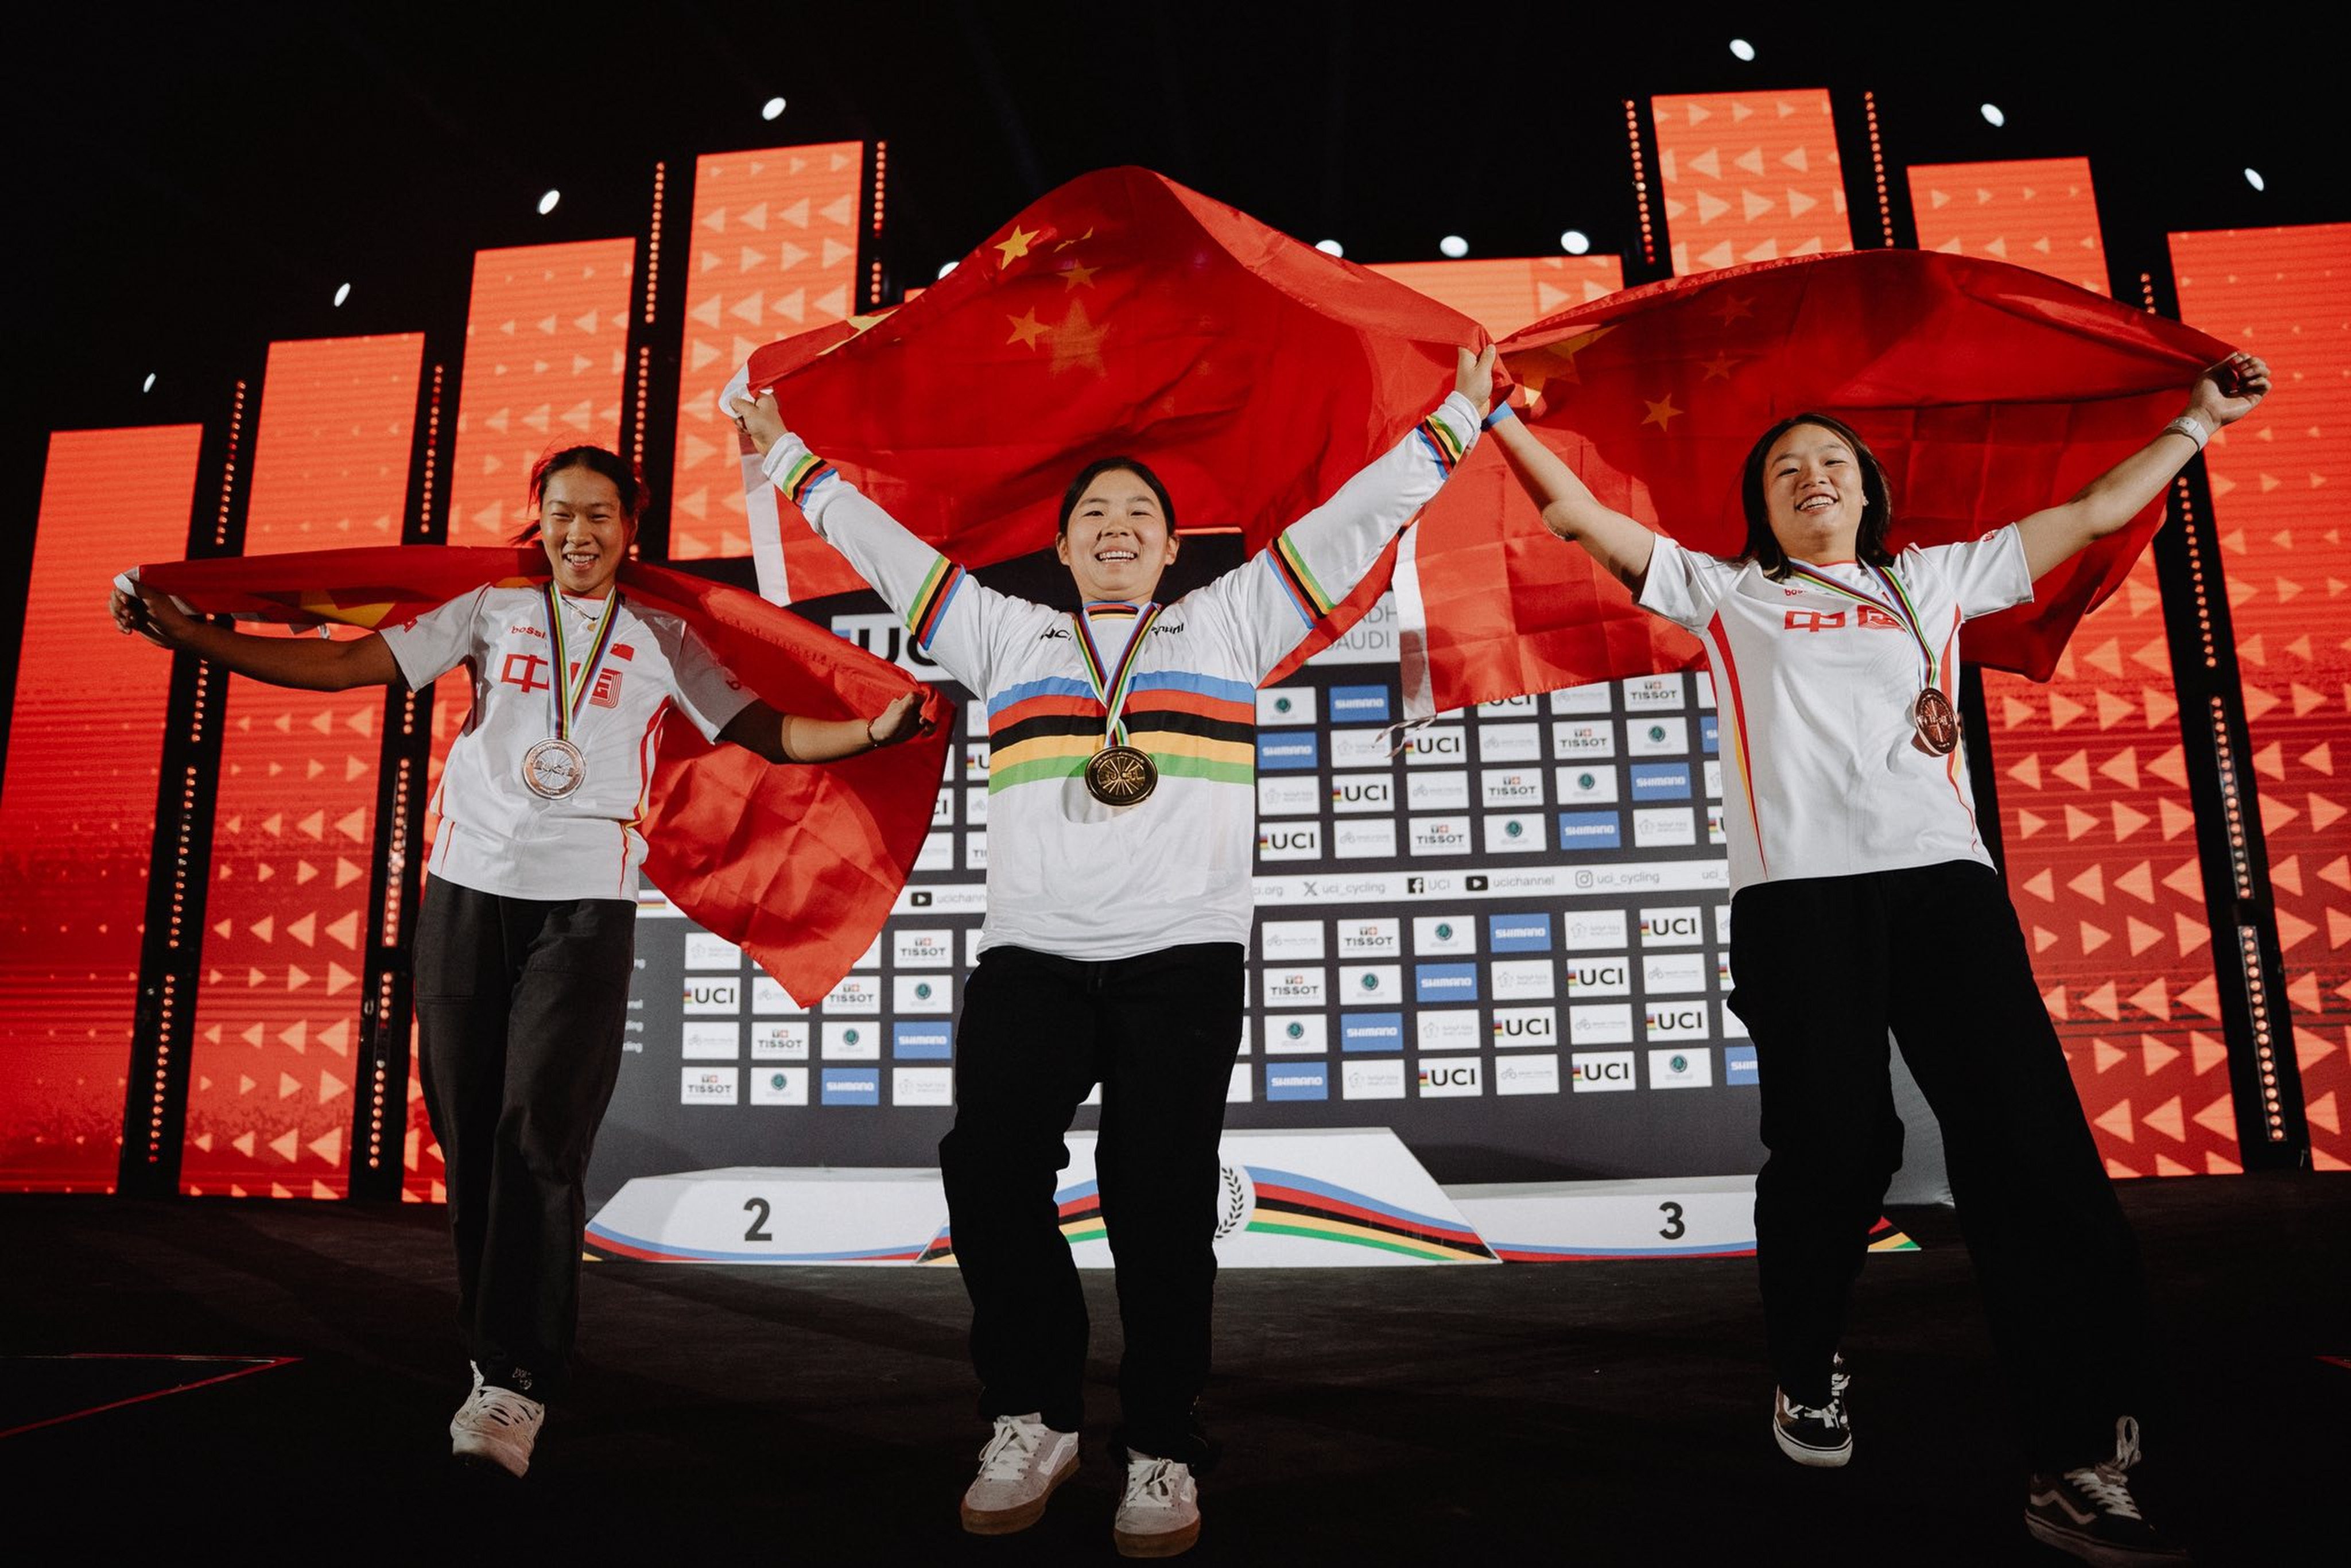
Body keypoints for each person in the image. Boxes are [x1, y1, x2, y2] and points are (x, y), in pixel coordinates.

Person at [1487, 351, 2269, 1565]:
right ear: (1761, 505)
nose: (1811, 480)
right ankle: (1804, 1363)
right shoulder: (1724, 593)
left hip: (1943, 888)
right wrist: (1494, 417)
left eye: (1831, 466)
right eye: (1785, 470)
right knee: (1841, 1145)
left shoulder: (1933, 580)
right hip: (1798, 903)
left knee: (2028, 1154)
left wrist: (2196, 423)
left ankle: (2070, 1457)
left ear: (1867, 492)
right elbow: (1575, 516)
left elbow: (2091, 513)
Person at [731, 347, 1493, 1557]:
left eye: (1141, 512)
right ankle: (1031, 1411)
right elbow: (890, 552)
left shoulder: (1235, 617)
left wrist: (1453, 419)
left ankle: (1159, 1444)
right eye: (1095, 513)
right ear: (1066, 544)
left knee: (1159, 1201)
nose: (1118, 526)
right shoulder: (1001, 635)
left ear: (1174, 545)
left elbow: (1356, 523)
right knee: (985, 1172)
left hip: (1182, 955)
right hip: (1033, 954)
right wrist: (784, 459)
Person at [110, 444, 929, 1479]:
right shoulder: (488, 610)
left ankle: (517, 1381)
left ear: (633, 530)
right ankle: (489, 1349)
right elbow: (342, 666)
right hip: (465, 894)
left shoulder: (665, 632)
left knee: (539, 1133)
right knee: (469, 1134)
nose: (578, 534)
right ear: (536, 521)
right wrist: (195, 638)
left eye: (599, 517)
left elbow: (761, 729)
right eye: (560, 515)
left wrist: (868, 731)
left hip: (584, 907)